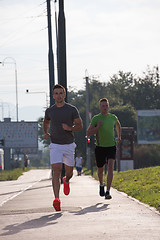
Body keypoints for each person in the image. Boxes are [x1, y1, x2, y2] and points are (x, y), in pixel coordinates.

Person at [43, 84, 83, 211]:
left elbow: (80, 125)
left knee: (69, 172)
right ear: (53, 95)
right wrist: (46, 132)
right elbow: (46, 122)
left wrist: (70, 128)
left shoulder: (71, 109)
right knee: (57, 170)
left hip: (69, 144)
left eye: (61, 93)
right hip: (55, 144)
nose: (59, 95)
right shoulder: (50, 111)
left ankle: (66, 180)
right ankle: (57, 199)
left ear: (64, 95)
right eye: (56, 93)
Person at [87, 98, 121, 199]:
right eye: (103, 106)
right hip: (100, 147)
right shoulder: (96, 119)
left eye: (106, 106)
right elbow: (88, 132)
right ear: (99, 107)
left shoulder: (113, 117)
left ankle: (108, 191)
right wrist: (97, 127)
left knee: (110, 166)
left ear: (108, 107)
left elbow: (118, 125)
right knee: (100, 169)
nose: (105, 108)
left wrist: (119, 136)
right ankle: (101, 184)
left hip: (111, 146)